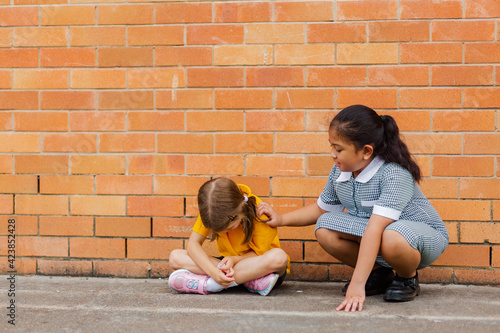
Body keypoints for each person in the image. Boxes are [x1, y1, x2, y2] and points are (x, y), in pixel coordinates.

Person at [258, 104, 448, 312]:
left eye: (339, 149)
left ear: (366, 151)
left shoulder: (393, 174)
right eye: (331, 146)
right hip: (380, 232)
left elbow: (375, 229)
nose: (332, 154)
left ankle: (407, 278)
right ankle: (379, 274)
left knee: (391, 236)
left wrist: (357, 284)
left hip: (421, 237)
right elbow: (322, 210)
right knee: (325, 226)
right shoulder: (342, 171)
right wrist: (281, 219)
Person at [168, 177, 290, 296]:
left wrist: (233, 260)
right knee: (175, 257)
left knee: (279, 257)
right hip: (228, 265)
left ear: (238, 214)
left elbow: (261, 254)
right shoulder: (212, 210)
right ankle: (248, 280)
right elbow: (193, 245)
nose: (224, 232)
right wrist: (213, 271)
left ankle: (210, 285)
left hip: (258, 264)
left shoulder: (260, 213)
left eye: (228, 228)